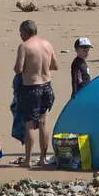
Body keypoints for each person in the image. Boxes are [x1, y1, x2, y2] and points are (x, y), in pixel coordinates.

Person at [13, 19, 58, 168]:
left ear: (26, 32)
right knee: (44, 121)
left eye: (20, 32)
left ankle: (28, 159)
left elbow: (18, 69)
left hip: (31, 88)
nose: (20, 35)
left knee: (30, 123)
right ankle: (43, 158)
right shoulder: (47, 44)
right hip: (47, 86)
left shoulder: (24, 46)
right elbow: (55, 65)